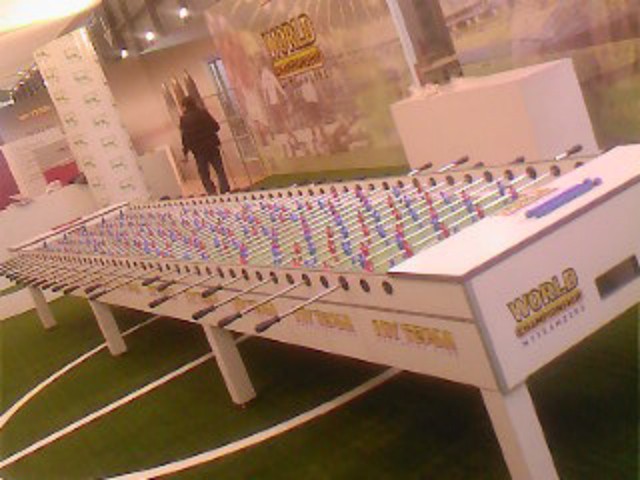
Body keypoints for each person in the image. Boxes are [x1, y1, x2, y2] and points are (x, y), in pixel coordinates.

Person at [179, 96, 230, 195]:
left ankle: (212, 192)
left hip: (198, 151)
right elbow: (216, 127)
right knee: (219, 170)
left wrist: (185, 153)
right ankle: (225, 190)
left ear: (184, 106)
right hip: (212, 146)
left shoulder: (184, 120)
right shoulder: (203, 113)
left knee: (204, 174)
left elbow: (185, 138)